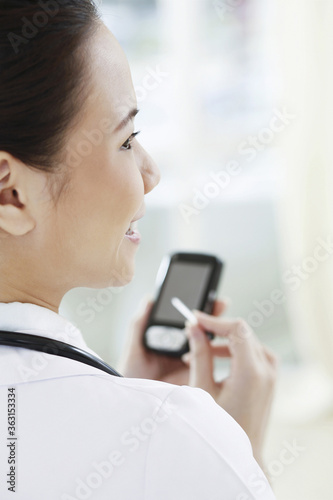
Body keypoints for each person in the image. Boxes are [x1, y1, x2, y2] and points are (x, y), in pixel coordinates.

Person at [0, 1, 277, 499]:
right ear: (10, 193)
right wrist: (230, 452)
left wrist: (120, 400)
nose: (151, 174)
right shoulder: (177, 433)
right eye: (128, 140)